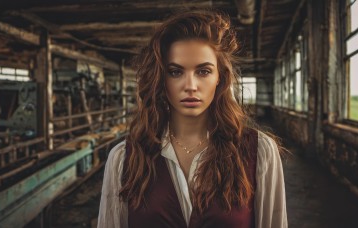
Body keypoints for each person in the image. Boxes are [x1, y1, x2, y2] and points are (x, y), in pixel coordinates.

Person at [98, 9, 288, 228]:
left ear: (220, 78)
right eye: (175, 72)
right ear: (161, 78)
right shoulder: (124, 159)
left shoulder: (259, 151)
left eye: (204, 71)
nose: (190, 86)